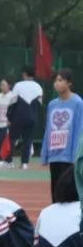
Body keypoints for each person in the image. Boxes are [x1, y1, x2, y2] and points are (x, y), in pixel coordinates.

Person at [40, 68, 83, 198]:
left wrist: (76, 155)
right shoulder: (52, 104)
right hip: (55, 155)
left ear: (69, 83)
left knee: (69, 194)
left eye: (60, 80)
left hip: (69, 158)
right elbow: (49, 129)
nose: (56, 84)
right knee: (56, 193)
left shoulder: (78, 103)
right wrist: (45, 153)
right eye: (55, 81)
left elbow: (79, 129)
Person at [8, 65, 43, 169]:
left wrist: (9, 117)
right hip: (32, 117)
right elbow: (39, 103)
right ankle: (24, 163)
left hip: (18, 117)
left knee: (12, 138)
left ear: (24, 74)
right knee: (28, 140)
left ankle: (9, 161)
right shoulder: (38, 86)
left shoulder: (18, 85)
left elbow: (12, 102)